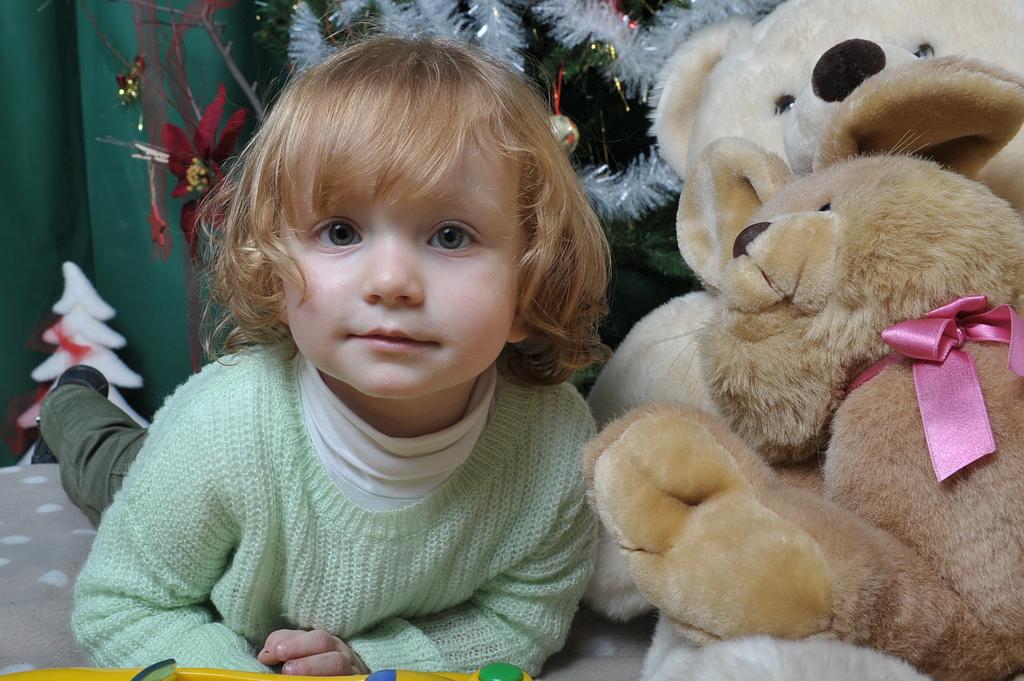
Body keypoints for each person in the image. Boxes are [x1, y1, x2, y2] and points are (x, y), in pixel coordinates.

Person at [39, 34, 610, 677]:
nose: (391, 281)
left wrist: (369, 662)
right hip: (177, 475)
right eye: (341, 231)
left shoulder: (556, 444)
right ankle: (71, 400)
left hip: (242, 500)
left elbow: (518, 622)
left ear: (532, 282)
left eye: (451, 235)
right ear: (274, 273)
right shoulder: (221, 430)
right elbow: (123, 604)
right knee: (104, 462)